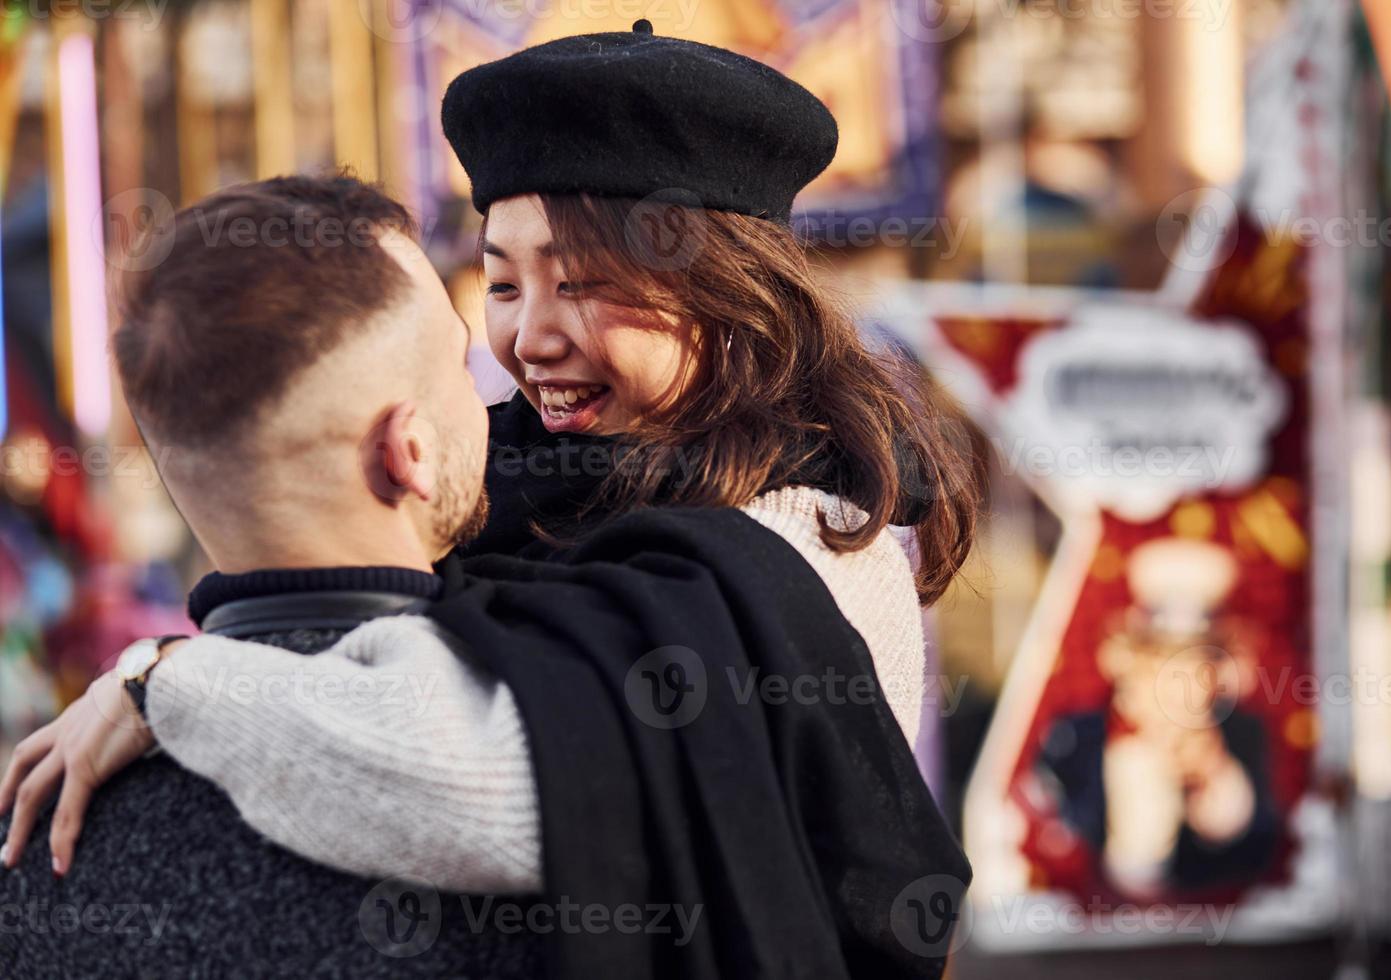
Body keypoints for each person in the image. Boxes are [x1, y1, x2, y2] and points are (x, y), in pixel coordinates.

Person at [3, 22, 980, 979]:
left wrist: (166, 683)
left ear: (731, 298)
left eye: (585, 283)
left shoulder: (807, 543)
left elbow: (499, 781)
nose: (530, 339)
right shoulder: (510, 482)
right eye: (504, 284)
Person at [0, 177, 546, 977]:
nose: (493, 388)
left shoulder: (46, 834)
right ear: (412, 451)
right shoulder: (557, 740)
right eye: (460, 369)